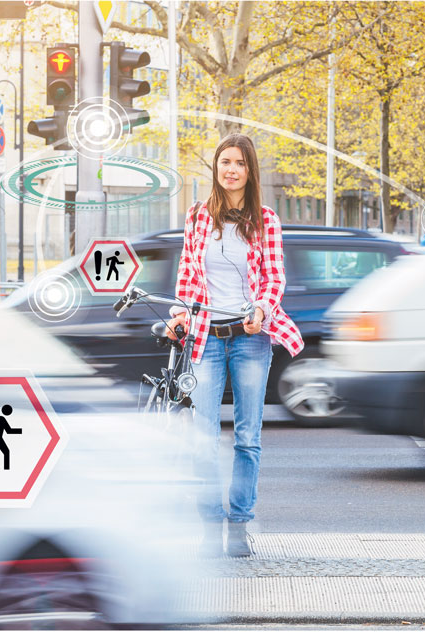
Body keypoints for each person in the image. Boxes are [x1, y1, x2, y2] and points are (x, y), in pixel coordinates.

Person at [166, 133, 304, 557]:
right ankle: (210, 525)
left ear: (250, 171)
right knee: (204, 437)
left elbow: (275, 278)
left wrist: (261, 309)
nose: (230, 169)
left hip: (249, 339)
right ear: (216, 167)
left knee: (247, 437)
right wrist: (181, 313)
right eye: (224, 161)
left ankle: (239, 525)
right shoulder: (196, 217)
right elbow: (189, 274)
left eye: (239, 163)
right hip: (206, 338)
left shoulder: (265, 219)